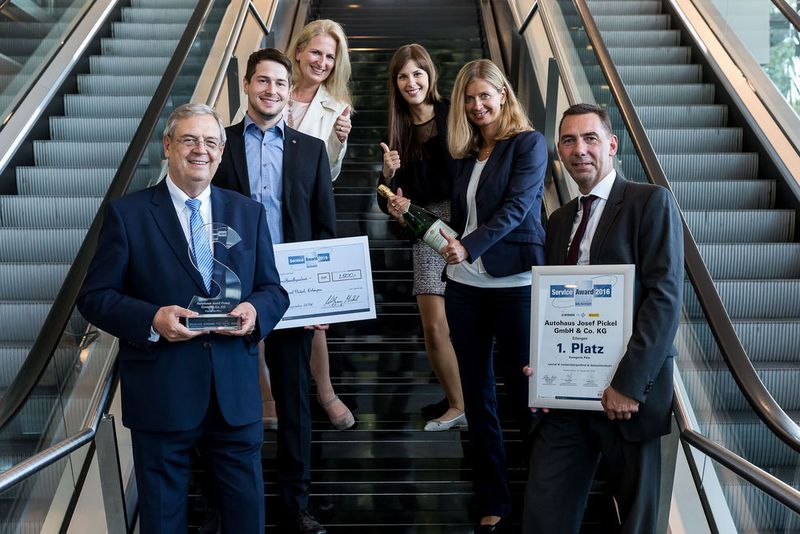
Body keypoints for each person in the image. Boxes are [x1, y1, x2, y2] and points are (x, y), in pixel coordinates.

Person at [77, 103, 289, 533]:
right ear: (168, 145)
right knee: (162, 519)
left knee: (246, 517)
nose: (201, 150)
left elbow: (273, 291)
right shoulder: (128, 214)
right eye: (190, 140)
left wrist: (254, 311)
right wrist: (153, 319)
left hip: (234, 393)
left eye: (210, 142)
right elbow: (95, 297)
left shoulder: (247, 212)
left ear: (222, 151)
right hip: (162, 393)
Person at [523, 103, 683, 533]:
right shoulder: (558, 221)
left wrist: (628, 386)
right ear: (559, 151)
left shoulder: (649, 202)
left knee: (636, 523)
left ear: (612, 145)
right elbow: (556, 307)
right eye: (569, 140)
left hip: (628, 401)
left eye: (590, 138)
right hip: (566, 401)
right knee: (543, 515)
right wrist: (544, 361)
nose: (580, 150)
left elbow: (664, 299)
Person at [212, 48, 336, 534]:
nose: (271, 90)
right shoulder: (218, 144)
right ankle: (224, 505)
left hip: (292, 290)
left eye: (280, 83)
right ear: (246, 85)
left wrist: (324, 299)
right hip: (227, 289)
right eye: (263, 81)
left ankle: (295, 503)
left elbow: (326, 228)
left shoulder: (311, 150)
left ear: (290, 89)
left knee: (294, 399)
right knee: (223, 397)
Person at [440, 59, 547, 532]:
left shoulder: (529, 144)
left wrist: (470, 245)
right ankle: (493, 499)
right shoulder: (464, 154)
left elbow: (518, 208)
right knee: (477, 396)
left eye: (485, 95)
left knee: (526, 391)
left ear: (504, 95)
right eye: (468, 98)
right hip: (465, 287)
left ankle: (542, 495)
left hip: (517, 285)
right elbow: (452, 210)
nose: (477, 105)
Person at [271, 18, 354, 430]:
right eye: (316, 52)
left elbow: (331, 175)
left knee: (311, 311)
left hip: (303, 217)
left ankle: (325, 392)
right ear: (300, 51)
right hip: (262, 214)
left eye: (330, 56)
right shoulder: (270, 86)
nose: (322, 61)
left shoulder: (336, 109)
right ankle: (268, 395)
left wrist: (339, 141)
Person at [377, 43, 465, 431]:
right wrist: (387, 178)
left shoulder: (456, 114)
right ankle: (458, 403)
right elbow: (388, 203)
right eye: (402, 76)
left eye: (417, 73)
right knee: (432, 325)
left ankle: (471, 396)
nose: (411, 82)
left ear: (430, 75)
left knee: (470, 320)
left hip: (468, 219)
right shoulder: (396, 131)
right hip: (427, 227)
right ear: (395, 84)